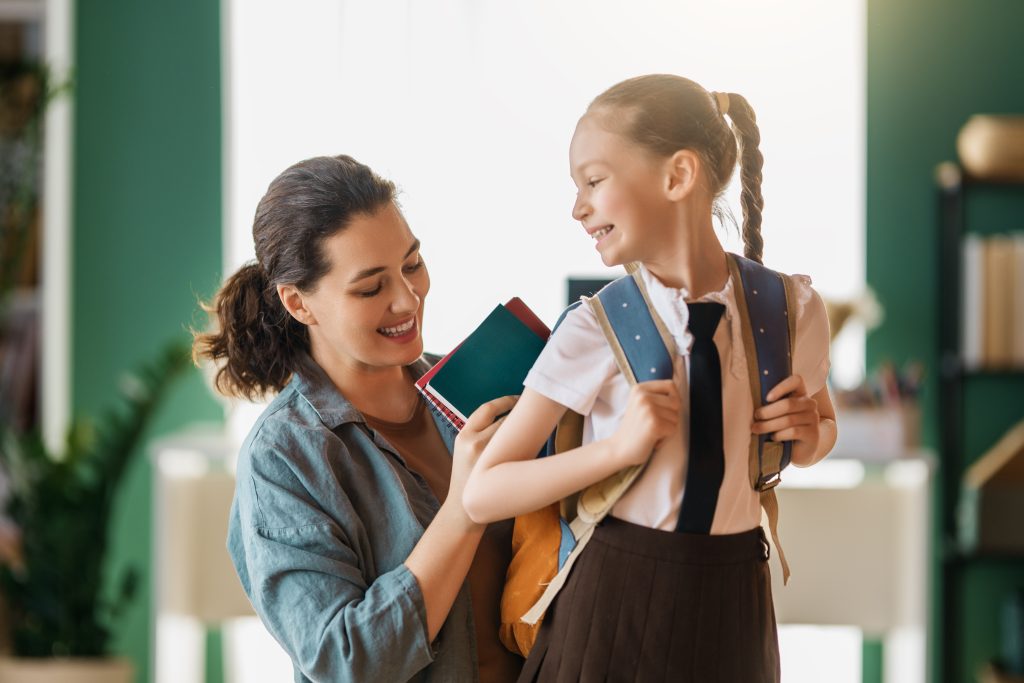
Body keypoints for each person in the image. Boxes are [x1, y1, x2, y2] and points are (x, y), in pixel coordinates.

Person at [462, 75, 838, 682]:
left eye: (593, 181)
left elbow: (821, 432)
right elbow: (484, 491)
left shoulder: (791, 311)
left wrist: (810, 437)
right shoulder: (595, 327)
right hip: (615, 606)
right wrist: (617, 449)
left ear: (677, 177)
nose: (577, 206)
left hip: (735, 602)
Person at [194, 154, 523, 682]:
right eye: (371, 288)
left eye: (412, 264)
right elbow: (347, 662)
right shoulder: (284, 457)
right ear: (299, 304)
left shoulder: (473, 389)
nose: (407, 297)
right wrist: (464, 507)